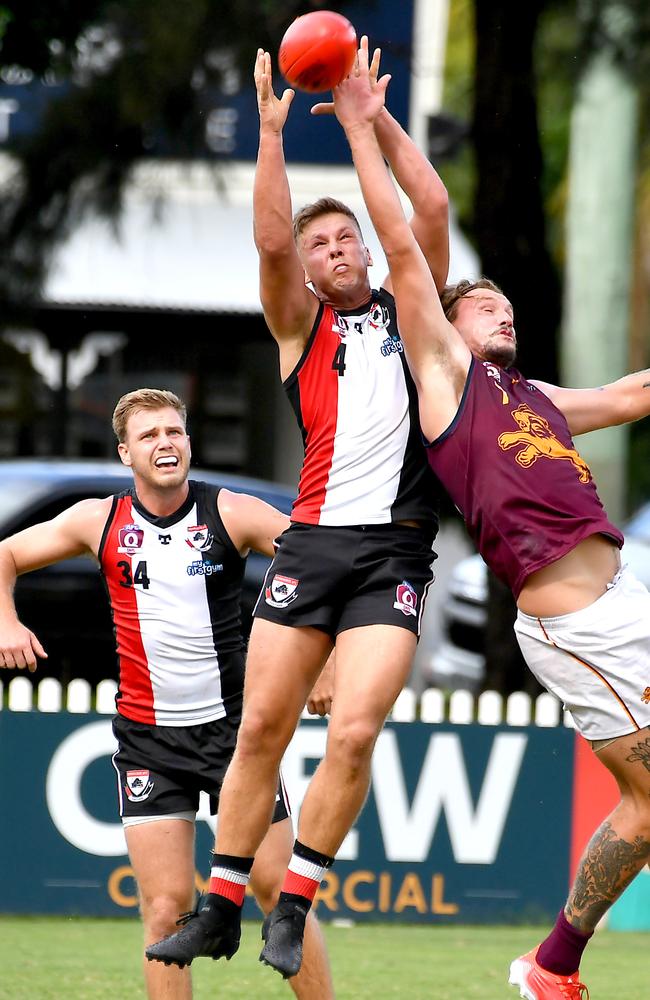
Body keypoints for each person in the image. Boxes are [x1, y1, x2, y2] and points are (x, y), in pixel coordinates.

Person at [331, 44, 650, 1000]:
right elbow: (403, 232)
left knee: (647, 811)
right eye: (480, 303)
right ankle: (550, 964)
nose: (497, 307)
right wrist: (363, 123)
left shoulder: (534, 394)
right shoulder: (443, 375)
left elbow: (635, 391)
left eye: (504, 301)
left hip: (627, 595)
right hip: (576, 625)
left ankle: (551, 968)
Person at [145, 41, 448, 979]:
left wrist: (371, 118)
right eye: (321, 246)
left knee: (354, 731)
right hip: (310, 547)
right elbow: (270, 242)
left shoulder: (416, 312)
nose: (332, 250)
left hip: (393, 554)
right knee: (261, 733)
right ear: (312, 273)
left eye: (344, 236)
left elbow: (427, 207)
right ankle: (225, 904)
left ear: (365, 244)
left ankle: (297, 899)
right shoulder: (299, 328)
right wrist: (272, 136)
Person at [0, 388, 334, 1000]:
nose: (166, 444)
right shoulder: (97, 520)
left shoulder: (230, 512)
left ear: (189, 442)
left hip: (235, 739)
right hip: (147, 740)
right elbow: (6, 555)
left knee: (277, 894)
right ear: (125, 452)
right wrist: (5, 620)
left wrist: (328, 660)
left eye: (175, 432)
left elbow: (320, 566)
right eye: (150, 435)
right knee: (164, 908)